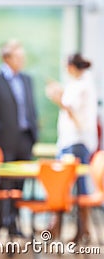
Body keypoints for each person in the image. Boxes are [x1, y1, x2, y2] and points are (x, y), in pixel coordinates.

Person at [0, 39, 38, 238]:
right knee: (3, 185)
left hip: (25, 139)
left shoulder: (26, 79)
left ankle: (14, 225)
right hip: (4, 140)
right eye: (18, 56)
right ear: (7, 58)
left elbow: (30, 108)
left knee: (19, 185)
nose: (22, 60)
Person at [46, 53, 97, 242]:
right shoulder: (81, 84)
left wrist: (58, 98)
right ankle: (76, 229)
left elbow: (73, 113)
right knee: (71, 188)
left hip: (75, 143)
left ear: (71, 67)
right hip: (72, 142)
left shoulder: (82, 86)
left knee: (72, 189)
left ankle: (75, 230)